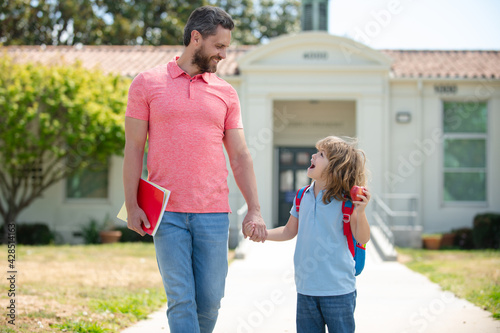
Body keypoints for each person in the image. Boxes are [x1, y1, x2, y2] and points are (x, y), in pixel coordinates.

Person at [122, 6, 267, 333]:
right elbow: (133, 149)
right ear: (195, 38)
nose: (223, 55)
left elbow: (240, 156)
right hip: (166, 213)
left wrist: (254, 210)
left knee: (210, 300)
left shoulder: (226, 93)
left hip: (213, 214)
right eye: (219, 46)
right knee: (181, 298)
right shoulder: (146, 84)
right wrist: (132, 205)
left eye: (226, 48)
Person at [245, 136, 371, 333]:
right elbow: (288, 231)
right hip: (306, 289)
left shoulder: (346, 201)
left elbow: (362, 238)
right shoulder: (302, 195)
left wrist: (361, 212)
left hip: (339, 290)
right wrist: (262, 234)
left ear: (335, 167)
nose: (313, 155)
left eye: (321, 154)